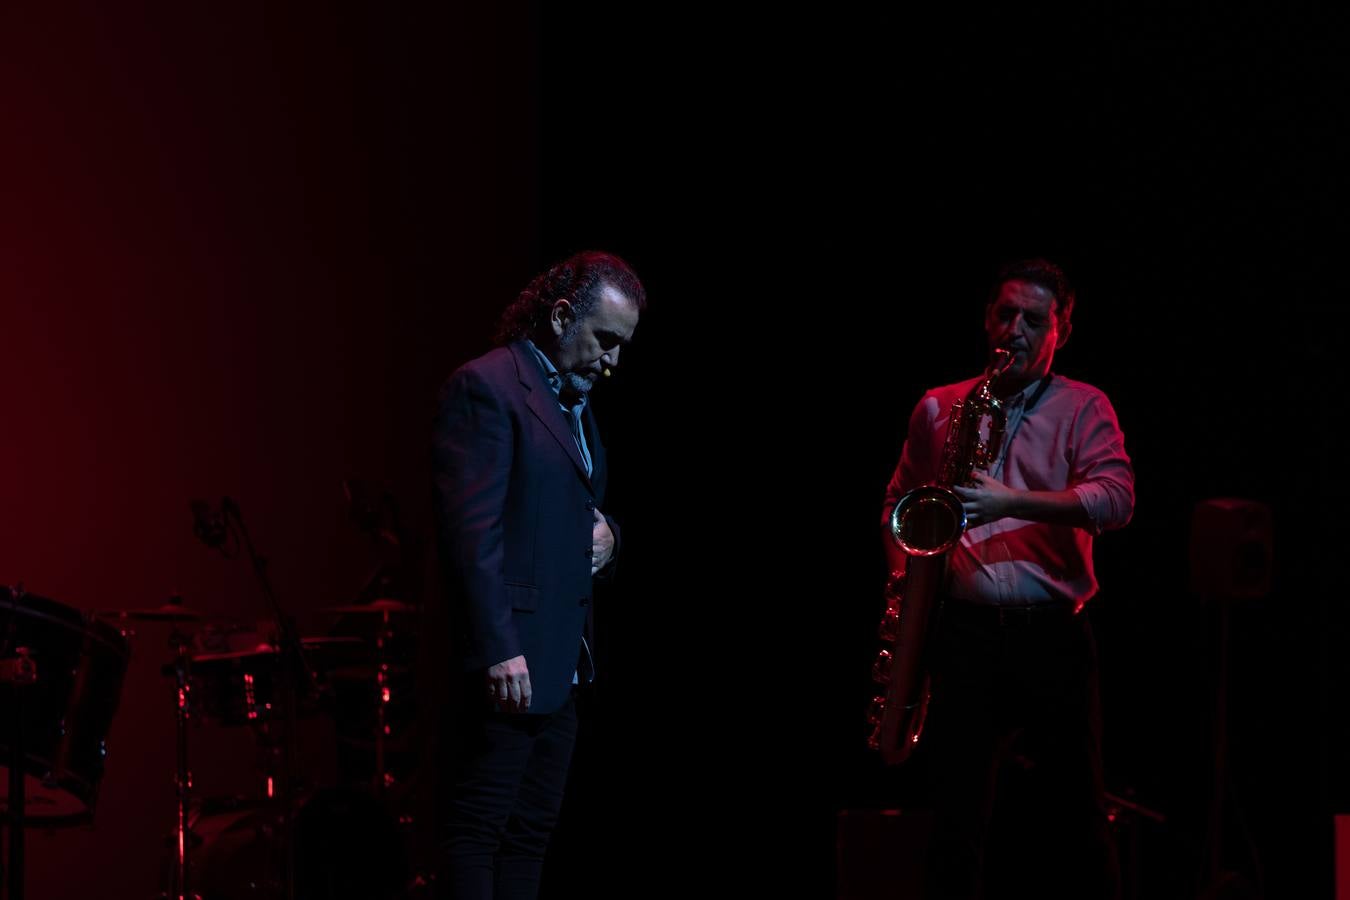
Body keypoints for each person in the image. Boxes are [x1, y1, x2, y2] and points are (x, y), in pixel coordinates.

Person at [880, 259, 1134, 899]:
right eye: (1005, 314)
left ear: (1062, 330)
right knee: (955, 822)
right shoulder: (939, 406)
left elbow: (1115, 499)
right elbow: (897, 506)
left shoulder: (1084, 406)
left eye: (1034, 319)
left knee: (1077, 816)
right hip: (963, 633)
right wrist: (903, 586)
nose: (1015, 329)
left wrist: (1012, 502)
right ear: (987, 317)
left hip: (1050, 638)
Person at [432, 250, 644, 899]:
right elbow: (472, 533)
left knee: (529, 839)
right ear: (561, 316)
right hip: (514, 662)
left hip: (563, 663)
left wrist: (611, 538)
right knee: (478, 832)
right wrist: (499, 650)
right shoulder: (488, 387)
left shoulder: (575, 406)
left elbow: (561, 514)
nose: (613, 362)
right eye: (605, 340)